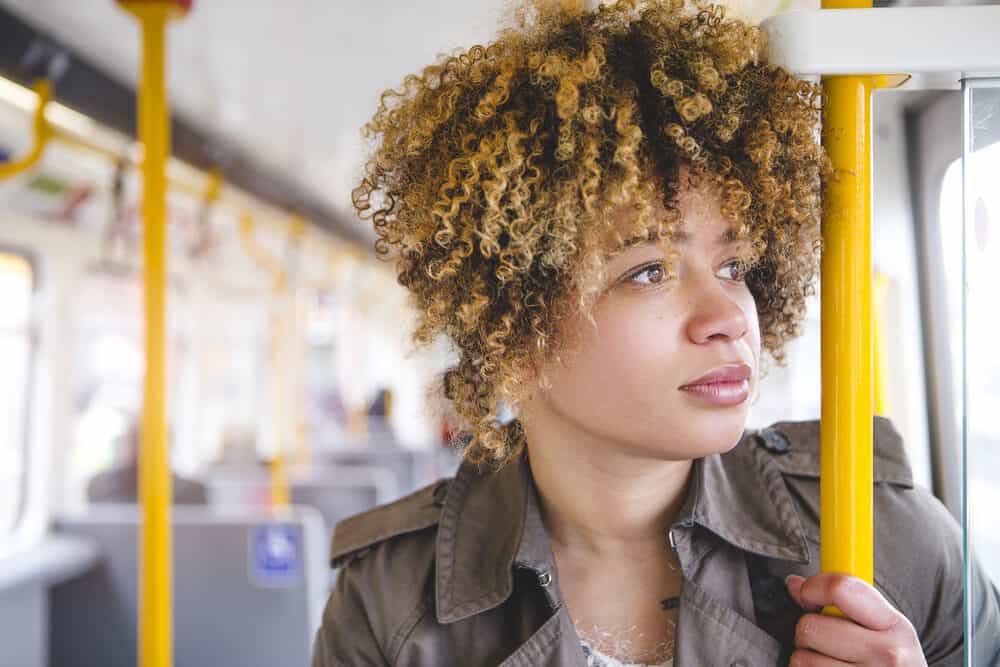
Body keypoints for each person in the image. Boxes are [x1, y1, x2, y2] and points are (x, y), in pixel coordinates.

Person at [312, 1, 1000, 665]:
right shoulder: (390, 601)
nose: (729, 315)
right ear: (515, 322)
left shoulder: (887, 540)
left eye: (733, 264)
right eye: (647, 272)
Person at [87, 422, 207, 505]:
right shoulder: (99, 488)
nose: (146, 448)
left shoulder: (193, 492)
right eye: (138, 439)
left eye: (156, 440)